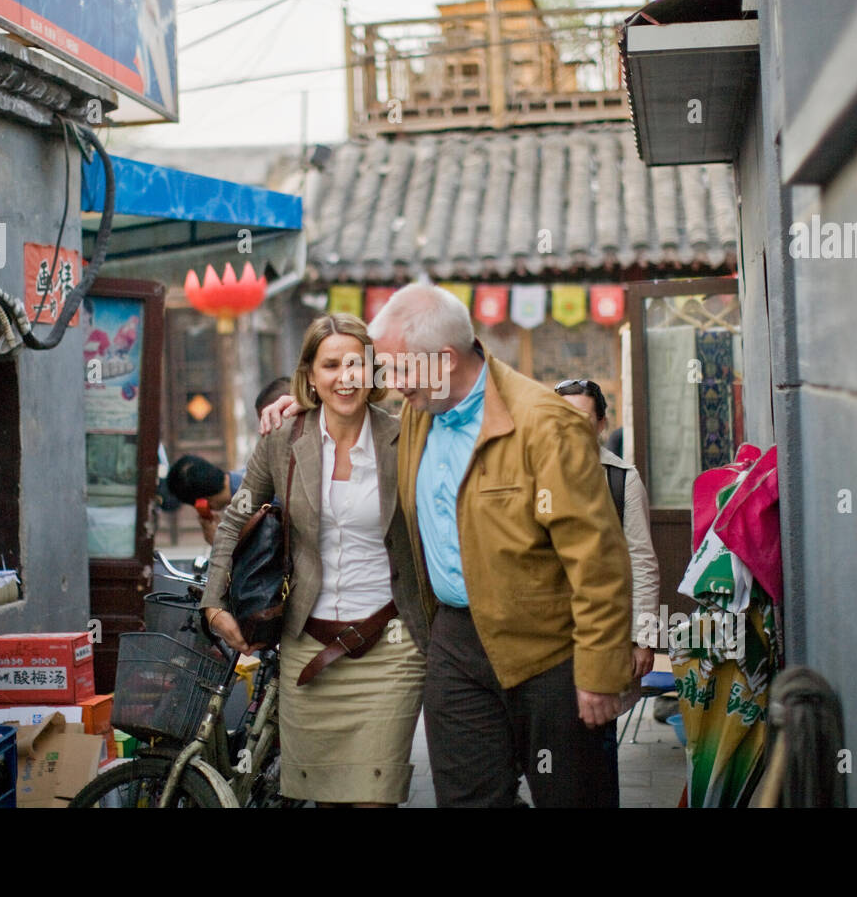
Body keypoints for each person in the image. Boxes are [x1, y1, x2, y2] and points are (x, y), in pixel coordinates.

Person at [263, 285, 634, 807]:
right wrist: (300, 407)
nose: (387, 382)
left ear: (445, 359)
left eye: (395, 368)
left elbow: (598, 559)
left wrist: (600, 670)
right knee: (467, 798)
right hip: (456, 642)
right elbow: (349, 402)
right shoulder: (421, 408)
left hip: (548, 647)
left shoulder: (546, 425)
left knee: (572, 796)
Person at [203, 313, 431, 807]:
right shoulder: (284, 439)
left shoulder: (407, 438)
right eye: (331, 365)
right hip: (308, 648)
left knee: (375, 798)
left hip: (391, 646)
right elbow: (233, 519)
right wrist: (213, 603)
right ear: (309, 374)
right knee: (325, 802)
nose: (345, 376)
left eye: (356, 363)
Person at [555, 377, 661, 806]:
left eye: (582, 419)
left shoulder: (621, 479)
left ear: (600, 424)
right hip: (541, 641)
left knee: (594, 752)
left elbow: (643, 561)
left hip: (600, 640)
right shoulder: (527, 471)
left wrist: (643, 636)